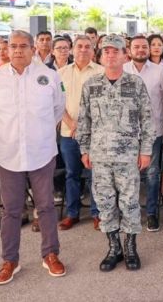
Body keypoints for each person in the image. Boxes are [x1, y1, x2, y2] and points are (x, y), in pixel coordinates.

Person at [0, 30, 66, 285]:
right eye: (13, 46)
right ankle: (10, 260)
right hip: (9, 154)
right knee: (11, 210)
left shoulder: (49, 76)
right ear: (6, 50)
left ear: (33, 49)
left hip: (41, 151)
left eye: (23, 46)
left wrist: (37, 132)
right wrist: (11, 134)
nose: (17, 50)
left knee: (46, 207)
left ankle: (50, 254)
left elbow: (58, 109)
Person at [78, 35, 154, 271]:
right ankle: (114, 248)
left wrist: (146, 150)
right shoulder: (91, 84)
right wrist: (84, 148)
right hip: (99, 157)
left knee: (130, 202)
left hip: (128, 156)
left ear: (125, 56)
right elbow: (84, 120)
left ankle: (131, 247)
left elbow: (148, 119)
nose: (111, 55)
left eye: (116, 51)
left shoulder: (136, 83)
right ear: (100, 56)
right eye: (106, 51)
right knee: (105, 202)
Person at [123, 35, 163, 232]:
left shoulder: (161, 72)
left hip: (153, 132)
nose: (141, 50)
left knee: (152, 175)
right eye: (137, 47)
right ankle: (130, 214)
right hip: (126, 133)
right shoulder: (122, 70)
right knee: (128, 175)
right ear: (130, 50)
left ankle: (152, 213)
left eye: (145, 47)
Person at [57, 36, 104, 231]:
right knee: (71, 174)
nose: (83, 50)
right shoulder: (60, 74)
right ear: (72, 50)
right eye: (79, 46)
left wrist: (86, 126)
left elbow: (105, 104)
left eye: (87, 47)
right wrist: (70, 122)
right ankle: (72, 213)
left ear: (93, 51)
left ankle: (97, 213)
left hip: (95, 134)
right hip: (69, 132)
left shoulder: (102, 73)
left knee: (95, 174)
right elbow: (57, 102)